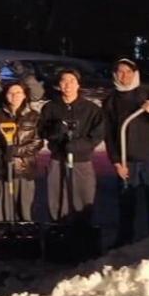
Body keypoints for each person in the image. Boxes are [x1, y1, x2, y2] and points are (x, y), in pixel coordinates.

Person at [103, 58, 149, 245]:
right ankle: (125, 239)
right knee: (126, 202)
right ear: (114, 75)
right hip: (127, 160)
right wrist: (116, 162)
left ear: (136, 73)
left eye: (128, 71)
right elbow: (109, 135)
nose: (124, 75)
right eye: (120, 72)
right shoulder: (111, 100)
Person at [39, 69, 106, 223]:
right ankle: (58, 228)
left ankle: (82, 230)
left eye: (71, 81)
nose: (67, 85)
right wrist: (55, 132)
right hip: (58, 159)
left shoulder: (91, 109)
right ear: (59, 85)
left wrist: (78, 146)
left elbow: (98, 134)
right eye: (64, 81)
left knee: (82, 198)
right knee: (57, 198)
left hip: (81, 161)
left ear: (78, 84)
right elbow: (41, 130)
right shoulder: (50, 107)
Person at [0, 82, 44, 221]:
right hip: (2, 170)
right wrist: (2, 153)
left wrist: (16, 151)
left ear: (24, 95)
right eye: (11, 93)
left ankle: (24, 238)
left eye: (18, 93)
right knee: (2, 211)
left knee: (24, 211)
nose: (14, 96)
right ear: (5, 95)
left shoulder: (33, 116)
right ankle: (3, 237)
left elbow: (37, 142)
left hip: (24, 170)